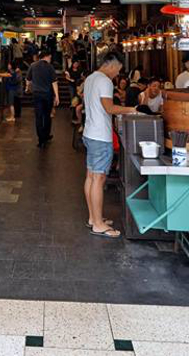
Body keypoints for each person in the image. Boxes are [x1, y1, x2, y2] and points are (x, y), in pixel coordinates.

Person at [82, 51, 135, 238]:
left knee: (91, 177)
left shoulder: (90, 78)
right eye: (118, 70)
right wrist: (132, 110)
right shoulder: (104, 81)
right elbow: (109, 108)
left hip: (89, 133)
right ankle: (97, 224)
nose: (117, 74)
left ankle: (93, 218)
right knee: (99, 179)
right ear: (111, 65)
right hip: (100, 136)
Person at [27, 48, 59, 147]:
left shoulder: (33, 65)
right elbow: (54, 82)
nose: (50, 59)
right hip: (47, 95)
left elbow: (28, 80)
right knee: (47, 116)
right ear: (47, 56)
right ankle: (46, 135)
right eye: (50, 57)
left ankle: (41, 140)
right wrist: (57, 96)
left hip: (37, 95)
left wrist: (27, 88)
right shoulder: (50, 67)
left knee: (39, 117)